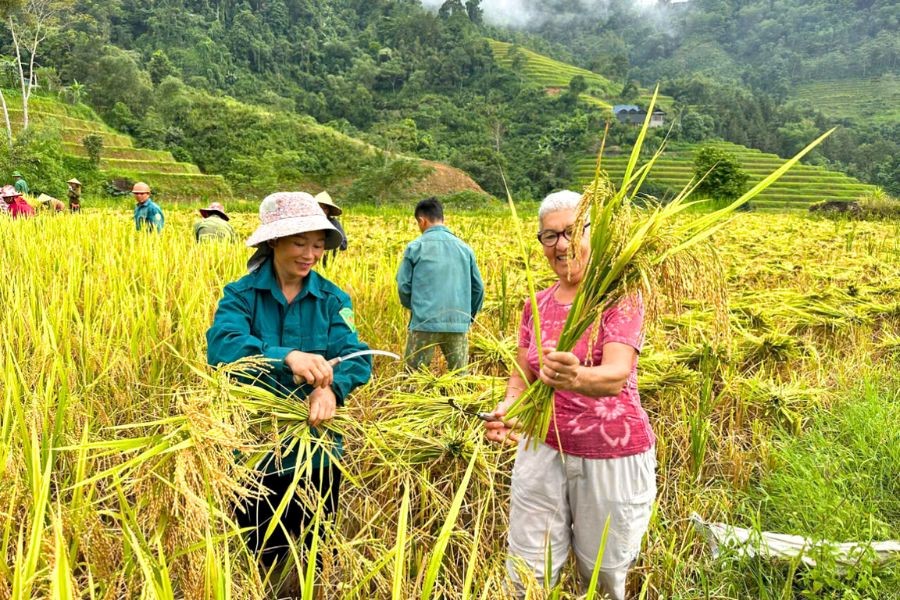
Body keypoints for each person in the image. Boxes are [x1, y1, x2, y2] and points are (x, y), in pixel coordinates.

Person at [484, 190, 656, 600]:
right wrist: (508, 408)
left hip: (610, 454)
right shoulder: (535, 304)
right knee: (527, 570)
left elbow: (616, 374)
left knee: (603, 575)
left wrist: (575, 376)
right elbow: (521, 375)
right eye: (550, 236)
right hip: (542, 448)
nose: (561, 245)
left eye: (572, 232)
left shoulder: (619, 297)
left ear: (595, 235)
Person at [206, 191, 372, 578]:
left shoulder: (332, 299)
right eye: (300, 243)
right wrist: (286, 357)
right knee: (259, 550)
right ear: (274, 241)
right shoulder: (241, 295)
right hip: (254, 449)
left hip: (316, 453)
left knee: (314, 549)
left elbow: (356, 355)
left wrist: (331, 388)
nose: (310, 254)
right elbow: (222, 346)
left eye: (317, 245)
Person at [396, 197, 484, 373]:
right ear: (442, 218)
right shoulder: (465, 249)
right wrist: (468, 316)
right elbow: (478, 288)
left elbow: (403, 286)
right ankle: (461, 401)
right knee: (460, 378)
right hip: (457, 323)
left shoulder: (416, 247)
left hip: (424, 322)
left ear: (422, 221)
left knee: (413, 377)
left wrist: (417, 308)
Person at [315, 191, 347, 267]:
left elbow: (343, 245)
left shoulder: (333, 223)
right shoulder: (307, 222)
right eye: (318, 207)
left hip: (328, 263)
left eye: (324, 208)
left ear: (328, 210)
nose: (321, 211)